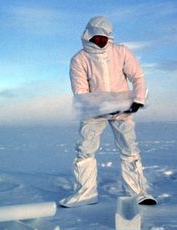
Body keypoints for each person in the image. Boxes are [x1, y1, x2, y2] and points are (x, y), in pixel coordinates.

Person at [59, 16, 157, 208]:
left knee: (129, 149)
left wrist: (138, 100)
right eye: (97, 37)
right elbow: (80, 91)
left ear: (109, 37)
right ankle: (85, 193)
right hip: (93, 112)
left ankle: (138, 193)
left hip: (122, 110)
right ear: (88, 36)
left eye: (104, 38)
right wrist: (98, 108)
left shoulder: (121, 52)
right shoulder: (79, 59)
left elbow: (137, 76)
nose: (100, 41)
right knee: (85, 150)